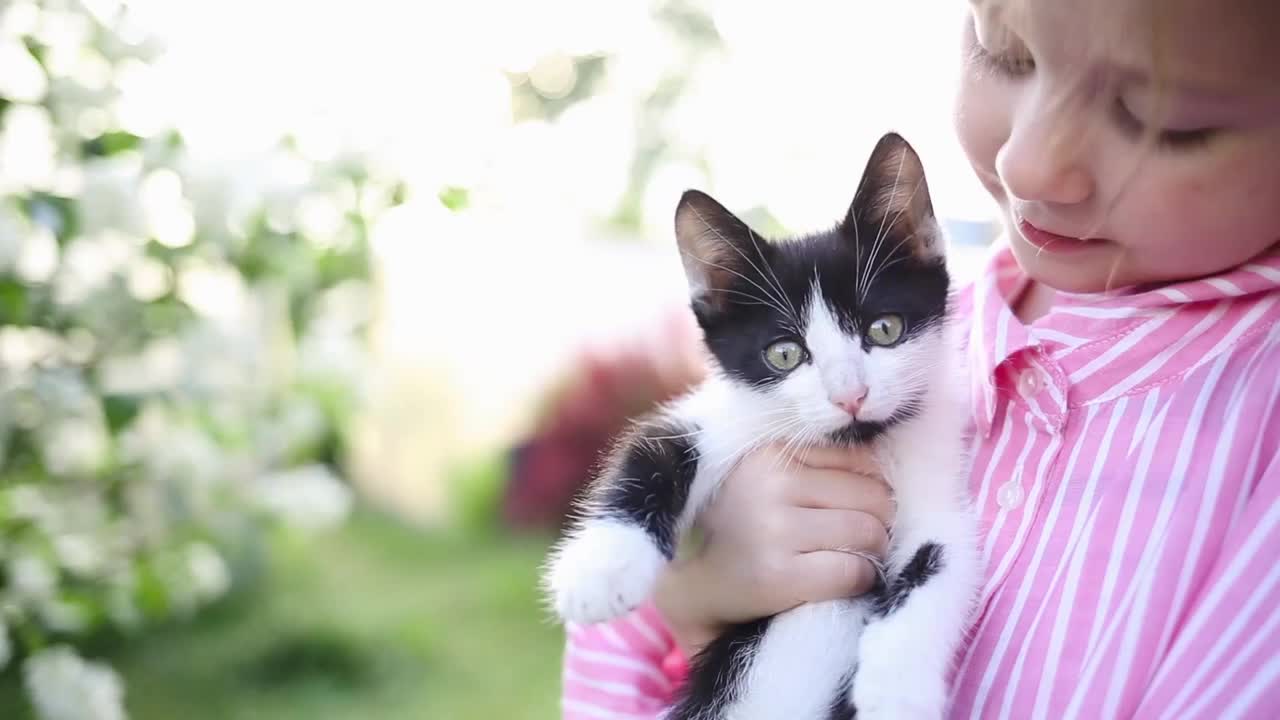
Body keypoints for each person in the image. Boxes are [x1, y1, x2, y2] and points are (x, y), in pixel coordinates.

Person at [560, 0, 1280, 717]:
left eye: (1163, 118)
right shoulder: (939, 339)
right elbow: (614, 614)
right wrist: (695, 595)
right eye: (1006, 55)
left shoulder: (1256, 420)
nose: (1027, 162)